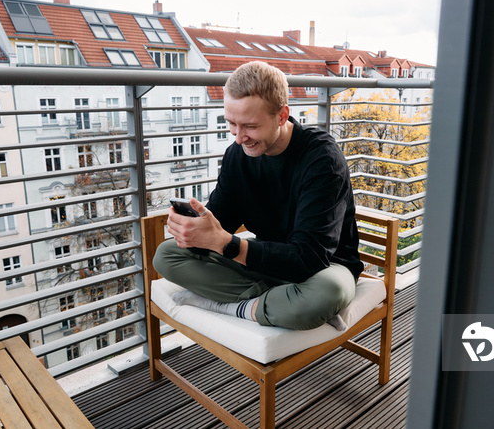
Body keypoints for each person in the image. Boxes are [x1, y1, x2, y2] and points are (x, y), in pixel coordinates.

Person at [152, 61, 363, 331]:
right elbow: (221, 223)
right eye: (231, 124)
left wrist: (228, 245)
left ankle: (226, 305)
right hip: (264, 264)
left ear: (282, 115)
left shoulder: (322, 160)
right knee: (167, 255)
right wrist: (193, 231)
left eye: (250, 126)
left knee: (325, 293)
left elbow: (308, 258)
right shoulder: (237, 156)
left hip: (324, 267)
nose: (239, 138)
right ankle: (273, 304)